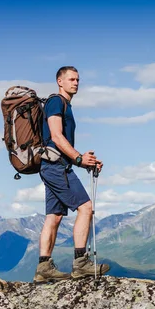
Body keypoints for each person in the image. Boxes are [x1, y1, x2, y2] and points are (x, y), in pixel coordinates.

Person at [33, 66, 110, 283]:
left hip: (52, 166)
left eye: (78, 80)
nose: (76, 83)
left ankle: (43, 267)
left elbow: (57, 141)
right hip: (56, 167)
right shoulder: (56, 102)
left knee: (54, 216)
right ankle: (81, 263)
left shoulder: (63, 104)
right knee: (85, 208)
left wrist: (84, 161)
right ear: (60, 81)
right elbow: (56, 137)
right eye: (71, 79)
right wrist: (78, 159)